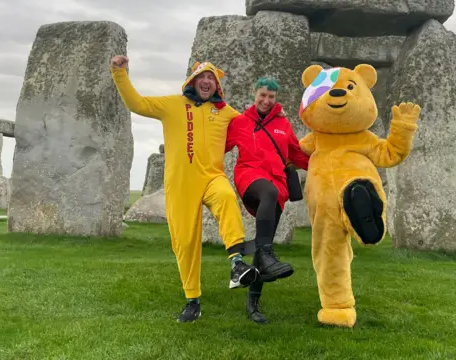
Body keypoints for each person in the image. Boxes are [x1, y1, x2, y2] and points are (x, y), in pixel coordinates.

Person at [109, 55, 259, 323]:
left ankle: (236, 263)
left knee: (226, 196)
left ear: (216, 86)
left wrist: (273, 112)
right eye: (202, 77)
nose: (206, 81)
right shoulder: (172, 105)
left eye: (211, 78)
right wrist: (120, 72)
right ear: (192, 81)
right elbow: (138, 103)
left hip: (212, 177)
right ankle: (193, 301)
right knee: (186, 243)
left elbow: (253, 125)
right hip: (180, 185)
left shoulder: (225, 112)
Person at [225, 77, 309, 324]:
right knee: (268, 196)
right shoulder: (240, 122)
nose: (266, 100)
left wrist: (325, 164)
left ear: (276, 99)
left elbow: (296, 153)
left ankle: (253, 303)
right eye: (263, 95)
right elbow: (217, 146)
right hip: (250, 178)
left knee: (263, 247)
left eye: (271, 97)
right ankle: (266, 252)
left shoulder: (283, 124)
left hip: (278, 186)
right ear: (255, 94)